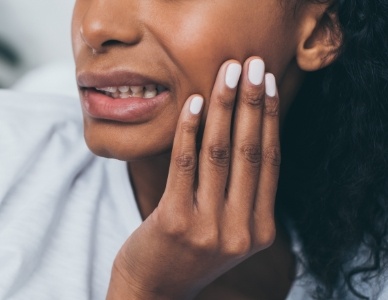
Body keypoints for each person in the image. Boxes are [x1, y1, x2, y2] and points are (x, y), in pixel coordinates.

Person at [0, 0, 387, 299]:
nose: (96, 26)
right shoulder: (12, 152)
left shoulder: (370, 275)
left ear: (320, 32)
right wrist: (143, 289)